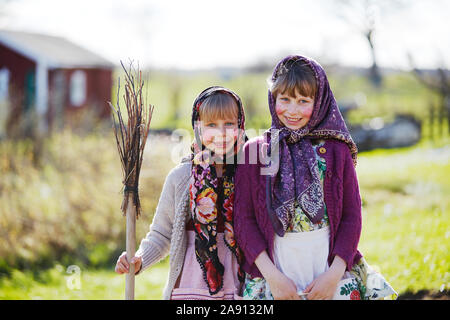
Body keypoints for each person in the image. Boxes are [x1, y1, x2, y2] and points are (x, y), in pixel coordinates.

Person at [234, 55, 396, 300]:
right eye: (285, 99)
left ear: (319, 101)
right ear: (273, 98)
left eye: (303, 101)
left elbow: (352, 215)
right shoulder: (255, 152)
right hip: (275, 273)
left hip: (328, 270)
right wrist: (273, 278)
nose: (293, 110)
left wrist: (334, 274)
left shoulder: (336, 151)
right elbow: (243, 220)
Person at [115, 86, 248, 300]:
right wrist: (139, 259)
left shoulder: (249, 175)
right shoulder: (181, 177)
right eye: (211, 125)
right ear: (197, 128)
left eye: (229, 124)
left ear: (240, 126)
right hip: (189, 291)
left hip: (237, 292)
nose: (221, 133)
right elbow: (161, 235)